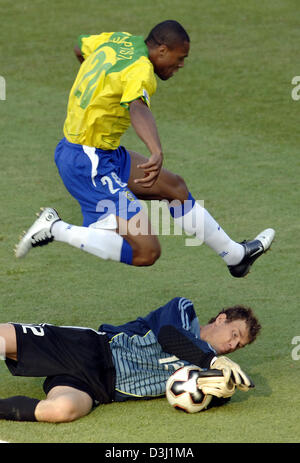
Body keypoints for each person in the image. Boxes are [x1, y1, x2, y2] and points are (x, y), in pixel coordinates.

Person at [14, 20, 274, 277]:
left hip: (104, 154)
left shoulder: (118, 40)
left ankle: (236, 257)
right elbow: (138, 107)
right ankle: (54, 227)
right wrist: (155, 150)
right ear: (162, 50)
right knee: (146, 252)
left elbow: (80, 48)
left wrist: (101, 86)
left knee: (175, 189)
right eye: (180, 57)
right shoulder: (141, 70)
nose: (181, 65)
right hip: (87, 162)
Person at [0, 297, 260, 423]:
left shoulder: (205, 370)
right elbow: (169, 336)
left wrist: (224, 393)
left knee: (61, 410)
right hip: (91, 348)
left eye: (239, 345)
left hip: (101, 387)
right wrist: (212, 361)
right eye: (234, 334)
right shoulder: (184, 311)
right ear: (222, 318)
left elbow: (200, 397)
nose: (232, 345)